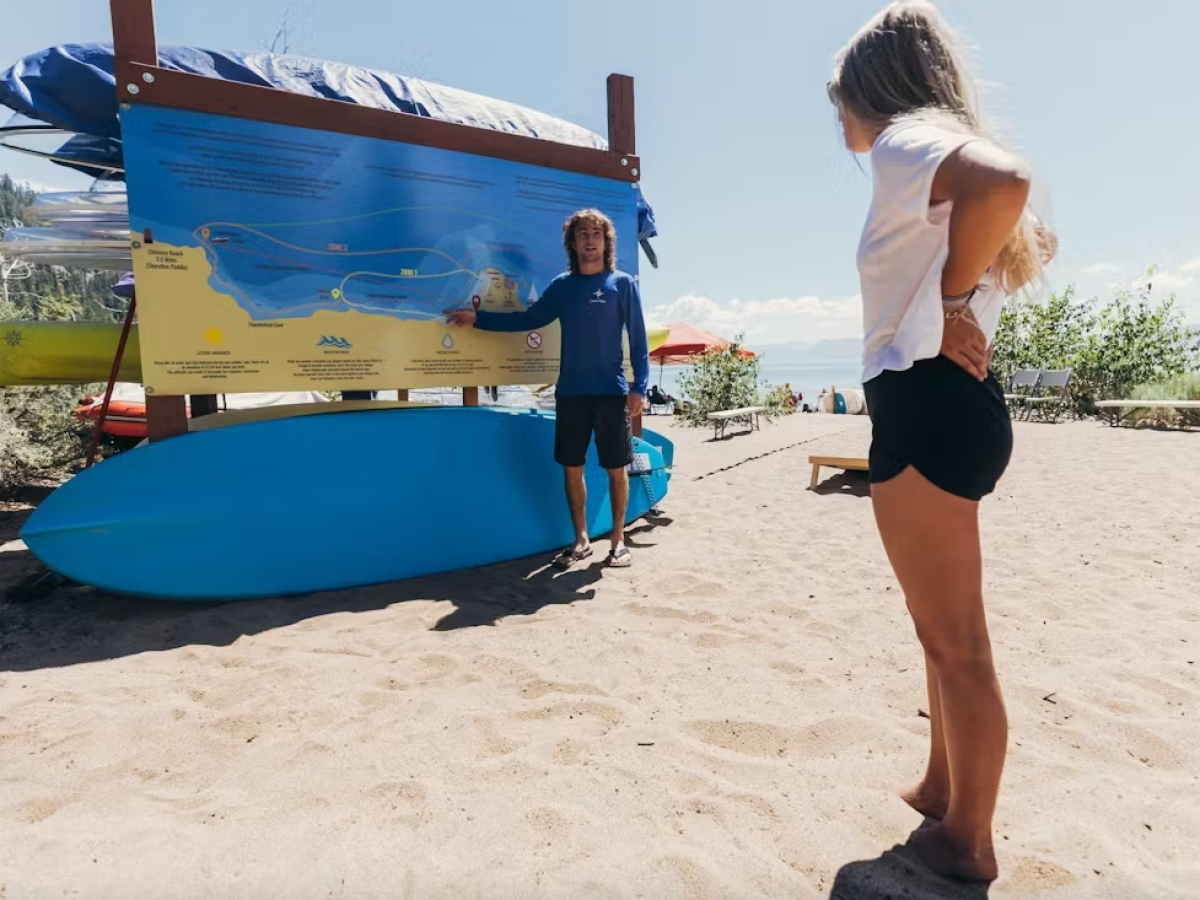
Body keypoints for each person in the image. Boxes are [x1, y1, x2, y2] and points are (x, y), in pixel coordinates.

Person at [827, 1, 1056, 883]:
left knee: (957, 639)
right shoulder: (924, 149)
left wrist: (955, 300)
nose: (837, 119)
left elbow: (1004, 180)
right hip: (951, 404)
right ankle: (939, 783)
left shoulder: (902, 141)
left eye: (838, 98)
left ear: (870, 89)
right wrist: (955, 296)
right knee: (939, 630)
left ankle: (969, 840)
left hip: (925, 402)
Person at [445, 209, 649, 569]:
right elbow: (528, 320)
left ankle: (618, 541)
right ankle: (582, 538)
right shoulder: (562, 286)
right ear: (573, 242)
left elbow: (638, 340)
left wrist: (639, 388)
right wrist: (479, 319)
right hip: (571, 392)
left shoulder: (622, 284)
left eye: (596, 234)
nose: (589, 239)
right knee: (572, 468)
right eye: (582, 234)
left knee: (616, 468)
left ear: (606, 242)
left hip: (610, 392)